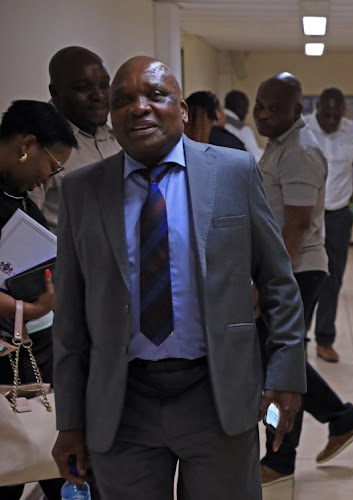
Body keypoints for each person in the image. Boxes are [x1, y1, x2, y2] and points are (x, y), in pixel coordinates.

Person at [50, 56, 306, 500]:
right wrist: (69, 421)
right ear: (112, 116)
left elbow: (279, 282)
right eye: (123, 100)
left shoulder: (233, 172)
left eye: (155, 95)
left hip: (216, 395)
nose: (139, 108)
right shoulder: (83, 190)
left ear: (183, 109)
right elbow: (70, 316)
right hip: (121, 404)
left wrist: (284, 375)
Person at [253, 73, 353, 486]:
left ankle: (280, 459)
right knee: (278, 361)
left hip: (294, 271)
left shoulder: (299, 151)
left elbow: (296, 225)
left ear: (296, 110)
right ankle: (341, 418)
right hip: (288, 270)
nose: (264, 115)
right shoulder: (279, 146)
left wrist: (268, 282)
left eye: (275, 108)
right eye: (260, 106)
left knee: (279, 366)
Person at [0, 100, 77, 500]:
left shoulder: (18, 199)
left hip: (34, 343)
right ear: (26, 145)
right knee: (12, 460)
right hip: (12, 341)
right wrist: (27, 311)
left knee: (45, 458)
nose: (49, 177)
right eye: (52, 164)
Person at [304, 88, 353, 362]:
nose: (332, 121)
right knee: (303, 277)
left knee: (332, 279)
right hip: (306, 213)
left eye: (337, 116)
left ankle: (325, 340)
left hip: (338, 214)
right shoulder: (303, 128)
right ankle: (298, 341)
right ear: (318, 110)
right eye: (327, 115)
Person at [28, 46, 121, 235]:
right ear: (55, 92)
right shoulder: (37, 144)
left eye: (104, 85)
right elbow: (25, 231)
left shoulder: (118, 139)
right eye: (82, 88)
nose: (99, 96)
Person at [224, 90, 264, 161]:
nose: (247, 111)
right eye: (245, 107)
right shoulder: (242, 129)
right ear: (237, 108)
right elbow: (255, 157)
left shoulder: (212, 122)